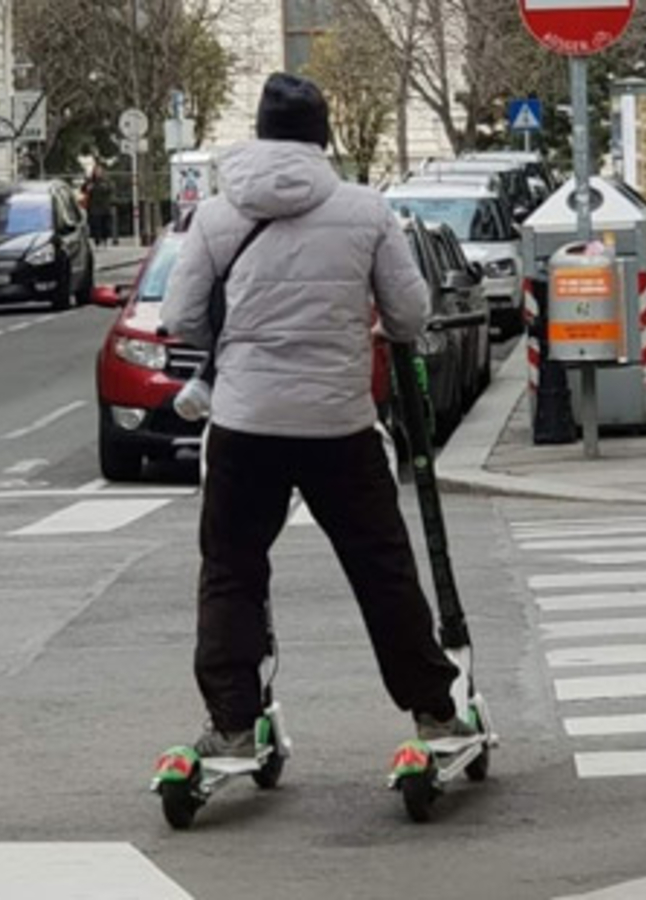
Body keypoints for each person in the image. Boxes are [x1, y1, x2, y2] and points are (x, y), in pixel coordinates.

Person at [160, 73, 470, 759]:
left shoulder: (215, 215)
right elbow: (411, 315)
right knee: (382, 569)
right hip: (339, 424)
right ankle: (433, 712)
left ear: (262, 133)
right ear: (322, 137)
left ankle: (234, 724)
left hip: (245, 424)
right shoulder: (365, 210)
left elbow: (179, 317)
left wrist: (236, 343)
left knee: (231, 570)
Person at [84, 164, 115, 245]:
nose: (98, 173)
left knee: (105, 224)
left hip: (104, 206)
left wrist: (102, 187)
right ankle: (97, 240)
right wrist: (87, 188)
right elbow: (84, 188)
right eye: (96, 171)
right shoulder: (90, 181)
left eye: (99, 171)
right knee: (95, 224)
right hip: (94, 206)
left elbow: (110, 189)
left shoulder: (106, 181)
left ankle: (105, 239)